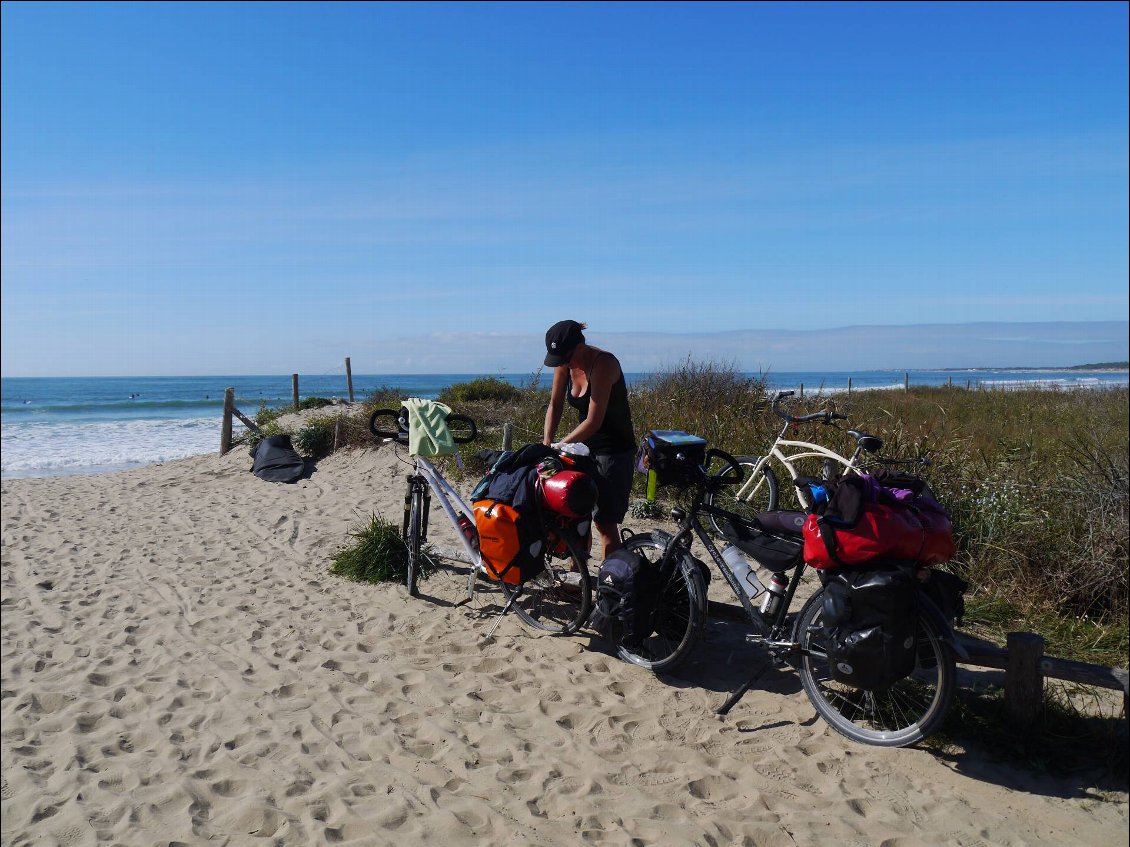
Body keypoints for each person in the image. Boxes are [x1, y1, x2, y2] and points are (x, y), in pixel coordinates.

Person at [542, 320, 636, 556]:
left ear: (580, 346)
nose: (563, 363)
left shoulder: (604, 364)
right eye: (559, 360)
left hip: (613, 451)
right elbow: (555, 404)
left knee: (604, 522)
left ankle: (609, 586)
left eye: (566, 357)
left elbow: (594, 421)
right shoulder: (564, 362)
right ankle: (579, 577)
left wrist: (560, 446)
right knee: (575, 514)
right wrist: (546, 444)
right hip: (583, 448)